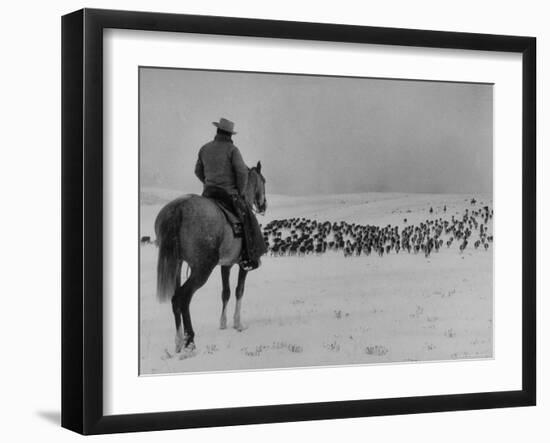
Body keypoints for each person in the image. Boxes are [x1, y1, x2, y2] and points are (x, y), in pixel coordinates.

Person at [194, 117, 266, 270]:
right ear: (230, 135)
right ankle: (249, 257)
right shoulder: (232, 150)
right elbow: (242, 173)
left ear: (218, 131)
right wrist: (239, 191)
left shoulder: (204, 148)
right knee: (249, 219)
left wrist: (208, 183)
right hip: (228, 194)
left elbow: (197, 171)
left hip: (208, 193)